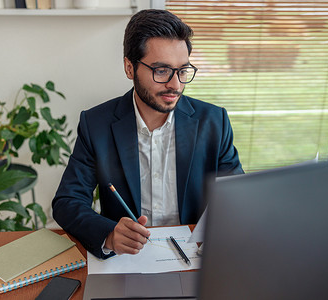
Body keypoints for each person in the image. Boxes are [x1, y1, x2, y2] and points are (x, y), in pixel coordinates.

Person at [52, 9, 244, 259]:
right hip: (126, 259)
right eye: (161, 70)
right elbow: (68, 202)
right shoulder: (96, 123)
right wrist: (109, 234)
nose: (175, 85)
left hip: (194, 257)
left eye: (183, 71)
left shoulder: (213, 121)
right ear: (130, 68)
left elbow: (236, 196)